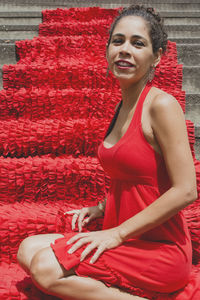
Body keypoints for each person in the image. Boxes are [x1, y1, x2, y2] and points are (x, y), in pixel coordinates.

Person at [17, 4, 197, 300]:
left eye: (138, 43)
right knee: (27, 250)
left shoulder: (161, 105)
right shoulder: (121, 106)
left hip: (158, 248)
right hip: (126, 239)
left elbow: (186, 190)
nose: (125, 49)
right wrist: (100, 209)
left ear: (158, 56)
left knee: (45, 269)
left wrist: (116, 233)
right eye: (118, 41)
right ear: (108, 49)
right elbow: (135, 177)